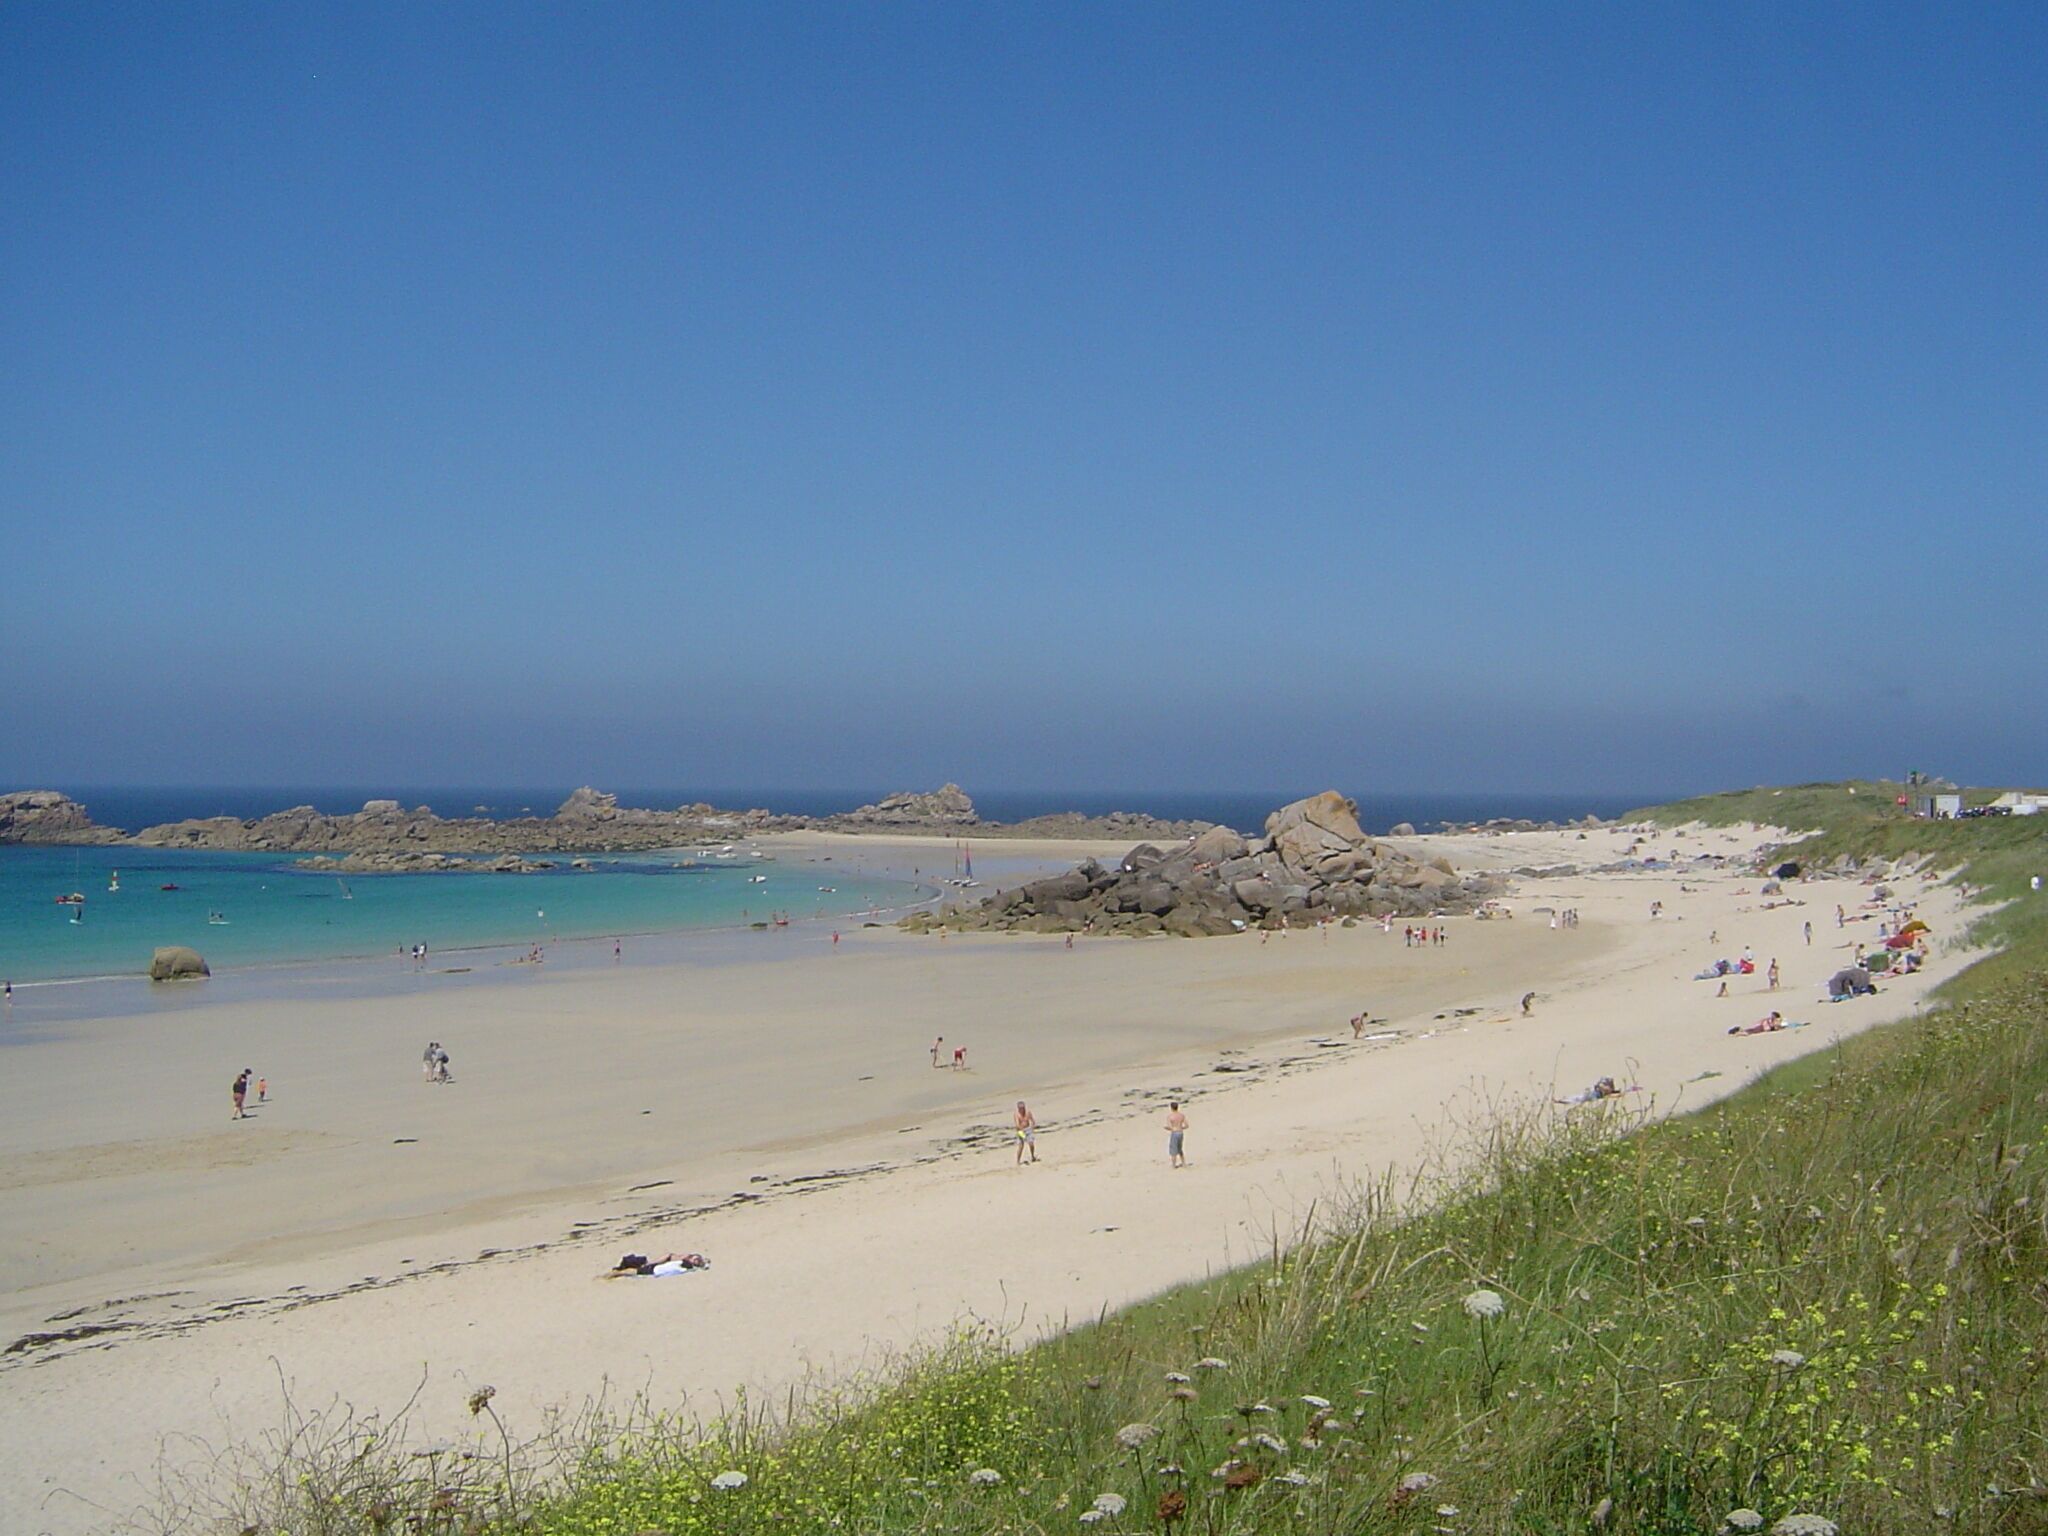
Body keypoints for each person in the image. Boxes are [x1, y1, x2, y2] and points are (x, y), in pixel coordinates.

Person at [1165, 1102, 1189, 1168]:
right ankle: (1183, 1163)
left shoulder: (1170, 1116)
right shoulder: (1181, 1115)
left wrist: (1167, 1128)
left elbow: (1169, 1127)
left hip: (1175, 1132)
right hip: (1180, 1132)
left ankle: (1173, 1164)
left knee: (1173, 1149)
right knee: (1180, 1148)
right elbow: (1186, 1125)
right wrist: (1181, 1128)